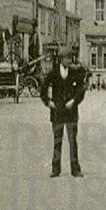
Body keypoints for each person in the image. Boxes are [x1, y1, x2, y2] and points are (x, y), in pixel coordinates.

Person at [40, 47, 87, 177]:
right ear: (61, 59)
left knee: (73, 140)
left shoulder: (75, 73)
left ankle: (75, 169)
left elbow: (81, 91)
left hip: (71, 112)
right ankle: (56, 169)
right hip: (57, 112)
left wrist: (74, 101)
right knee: (57, 140)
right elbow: (43, 90)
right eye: (67, 58)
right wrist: (48, 102)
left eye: (70, 58)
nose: (69, 60)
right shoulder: (53, 73)